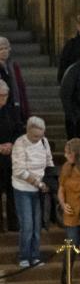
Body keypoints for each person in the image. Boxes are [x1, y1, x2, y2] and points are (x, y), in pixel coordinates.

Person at [11, 115, 53, 269]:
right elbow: (19, 170)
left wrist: (48, 182)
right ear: (28, 131)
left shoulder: (44, 141)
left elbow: (49, 161)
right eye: (35, 136)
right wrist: (37, 183)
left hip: (40, 189)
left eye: (40, 136)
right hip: (23, 189)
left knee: (37, 225)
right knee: (27, 225)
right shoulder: (20, 143)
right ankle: (24, 256)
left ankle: (35, 255)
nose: (37, 139)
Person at [0, 81, 22, 232]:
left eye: (5, 96)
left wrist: (13, 144)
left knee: (12, 191)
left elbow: (19, 130)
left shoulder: (12, 110)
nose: (3, 99)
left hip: (11, 156)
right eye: (0, 96)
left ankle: (14, 224)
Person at [0, 36, 30, 120]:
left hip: (14, 105)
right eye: (1, 49)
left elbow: (20, 88)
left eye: (6, 48)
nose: (4, 51)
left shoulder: (13, 66)